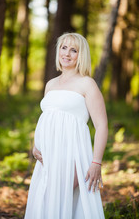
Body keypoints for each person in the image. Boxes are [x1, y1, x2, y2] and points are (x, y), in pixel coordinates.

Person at [24, 32, 108, 219]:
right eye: (64, 48)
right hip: (46, 159)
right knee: (45, 204)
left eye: (73, 50)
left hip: (73, 155)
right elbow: (48, 118)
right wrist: (36, 146)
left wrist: (96, 162)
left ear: (81, 55)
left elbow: (101, 125)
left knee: (65, 203)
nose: (67, 54)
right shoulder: (51, 84)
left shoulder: (87, 84)